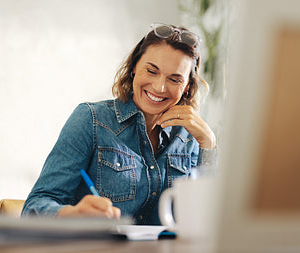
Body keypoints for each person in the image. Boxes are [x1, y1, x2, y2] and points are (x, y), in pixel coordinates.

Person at [21, 23, 217, 225]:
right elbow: (34, 206)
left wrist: (208, 144)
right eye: (151, 71)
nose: (159, 87)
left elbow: (210, 220)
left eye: (175, 79)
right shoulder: (91, 120)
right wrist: (72, 215)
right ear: (133, 68)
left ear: (187, 87)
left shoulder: (190, 139)